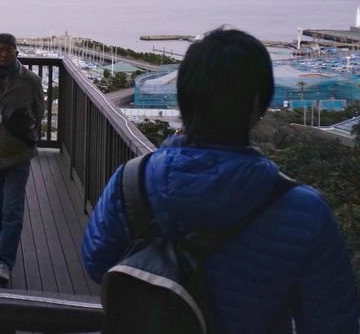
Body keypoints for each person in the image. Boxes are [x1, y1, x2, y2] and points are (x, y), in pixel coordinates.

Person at [82, 28, 359, 333]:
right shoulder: (304, 210)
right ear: (258, 104)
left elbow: (97, 263)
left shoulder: (131, 181)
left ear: (184, 96)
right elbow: (331, 321)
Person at [0, 32, 45, 288]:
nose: (3, 54)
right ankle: (7, 244)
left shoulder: (30, 81)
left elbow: (39, 112)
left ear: (17, 52)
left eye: (8, 50)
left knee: (13, 210)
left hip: (18, 153)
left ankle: (4, 261)